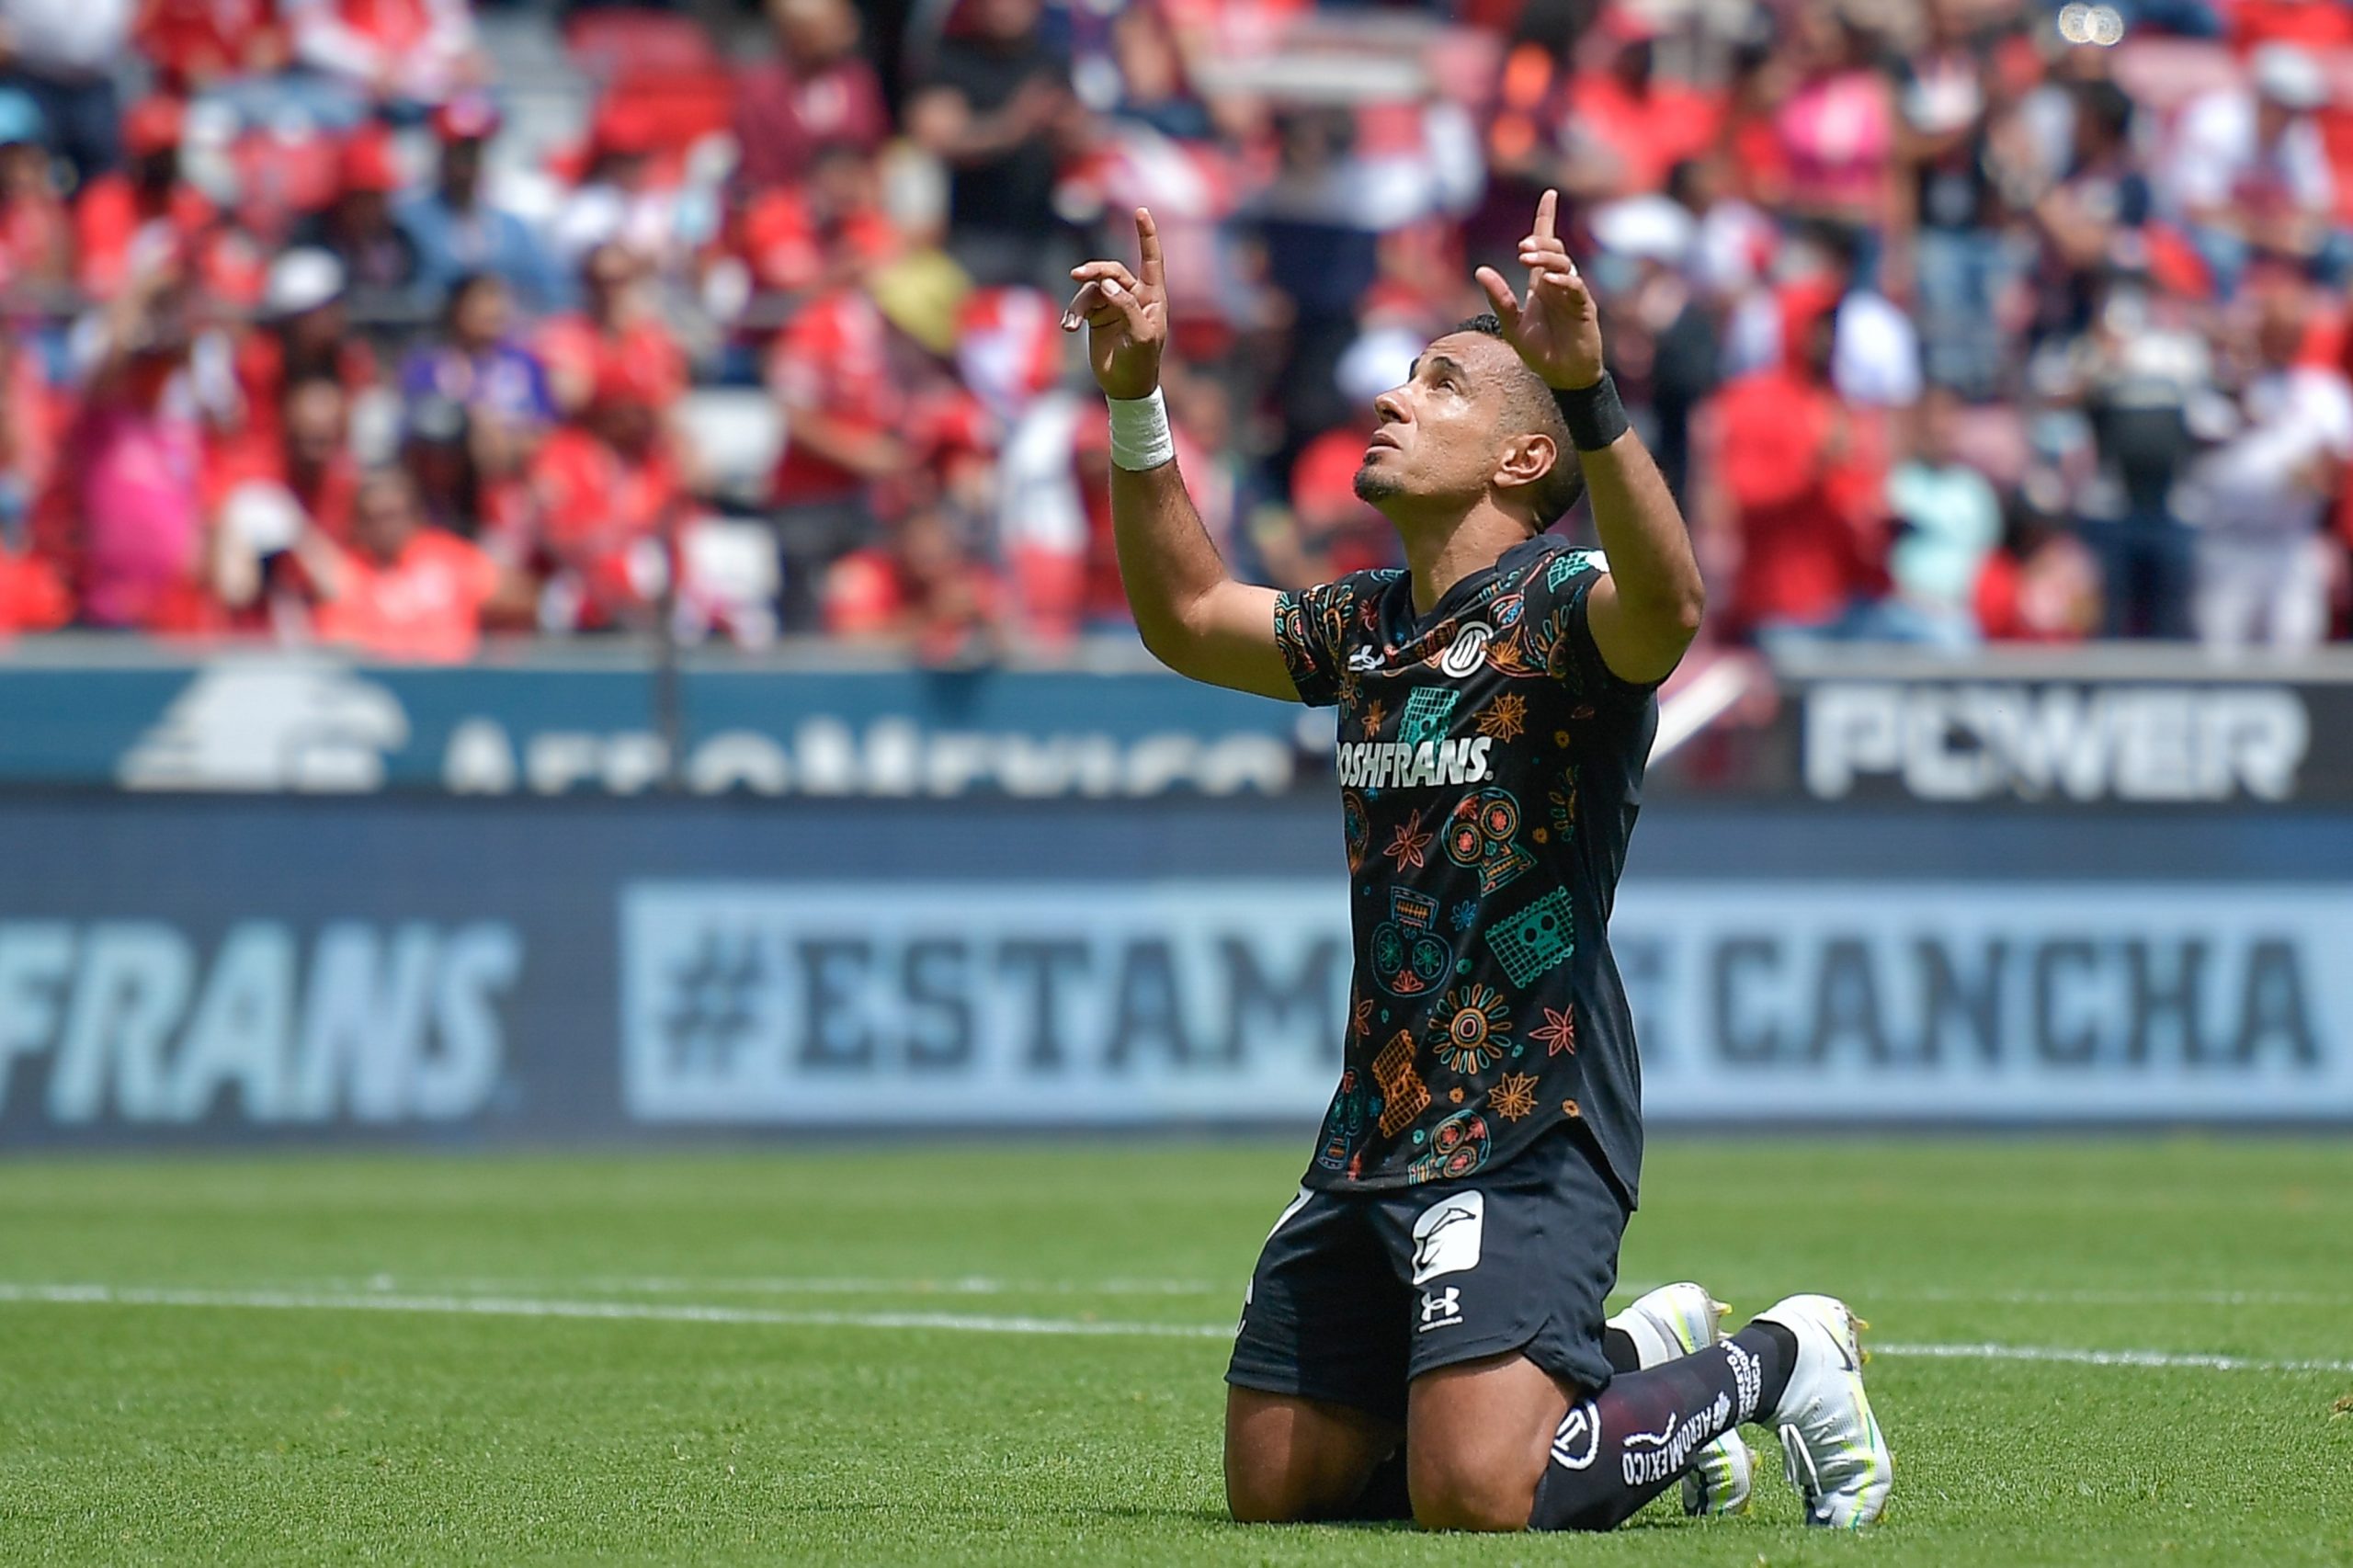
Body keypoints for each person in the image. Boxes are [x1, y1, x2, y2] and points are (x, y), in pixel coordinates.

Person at [1061, 197, 1893, 1533]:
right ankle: (1620, 1372)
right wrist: (1137, 401)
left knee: (1477, 1491)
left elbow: (1671, 606)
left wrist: (1588, 390)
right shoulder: (1371, 625)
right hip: (1378, 1116)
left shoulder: (1566, 608)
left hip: (1528, 1110)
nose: (1395, 398)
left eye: (1438, 382)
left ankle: (1780, 1358)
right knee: (1277, 1492)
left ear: (1519, 455)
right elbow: (1189, 616)